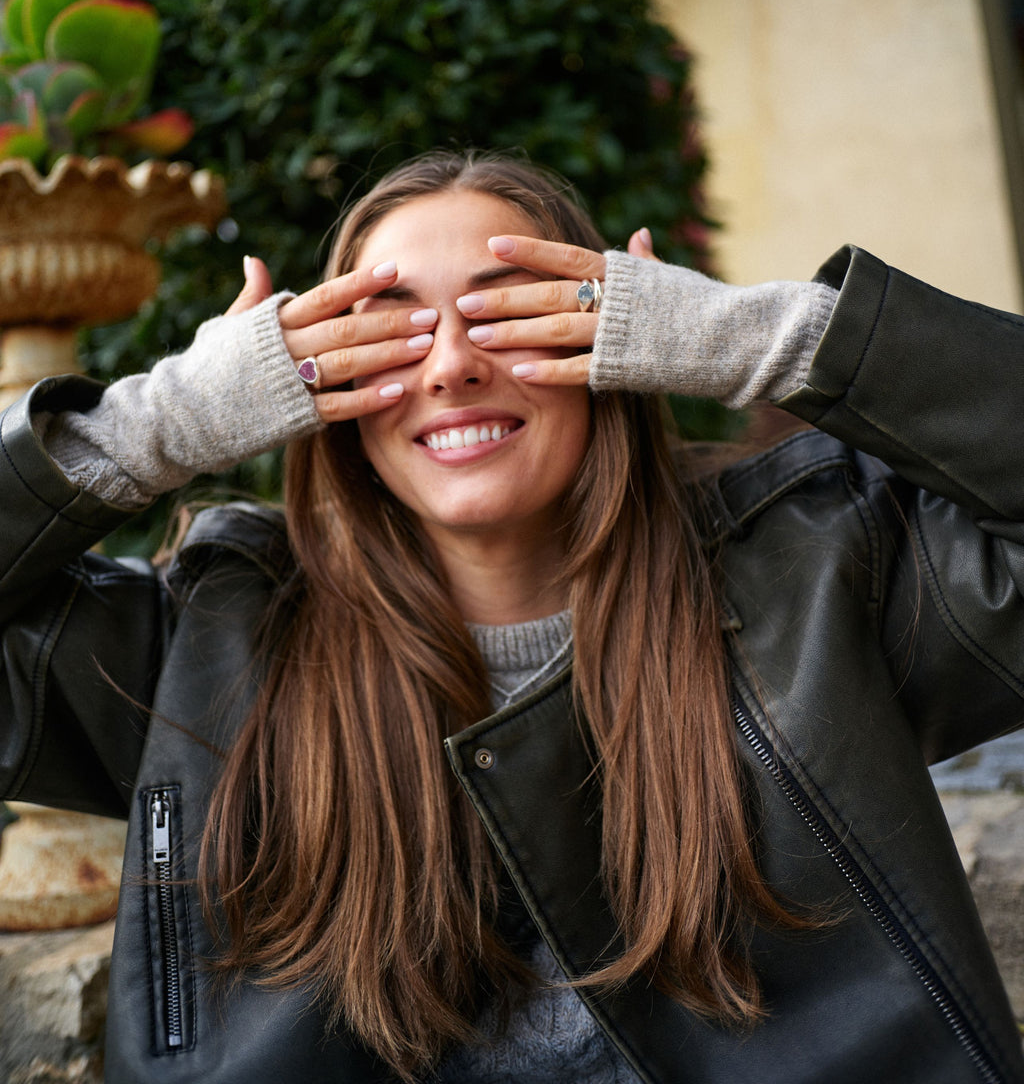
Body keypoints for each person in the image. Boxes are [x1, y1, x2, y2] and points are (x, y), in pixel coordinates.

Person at [1, 150, 1023, 1084]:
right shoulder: (206, 645)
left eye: (505, 315)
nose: (449, 366)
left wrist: (759, 339)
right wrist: (158, 422)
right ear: (307, 388)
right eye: (388, 330)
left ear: (619, 344)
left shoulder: (818, 580)